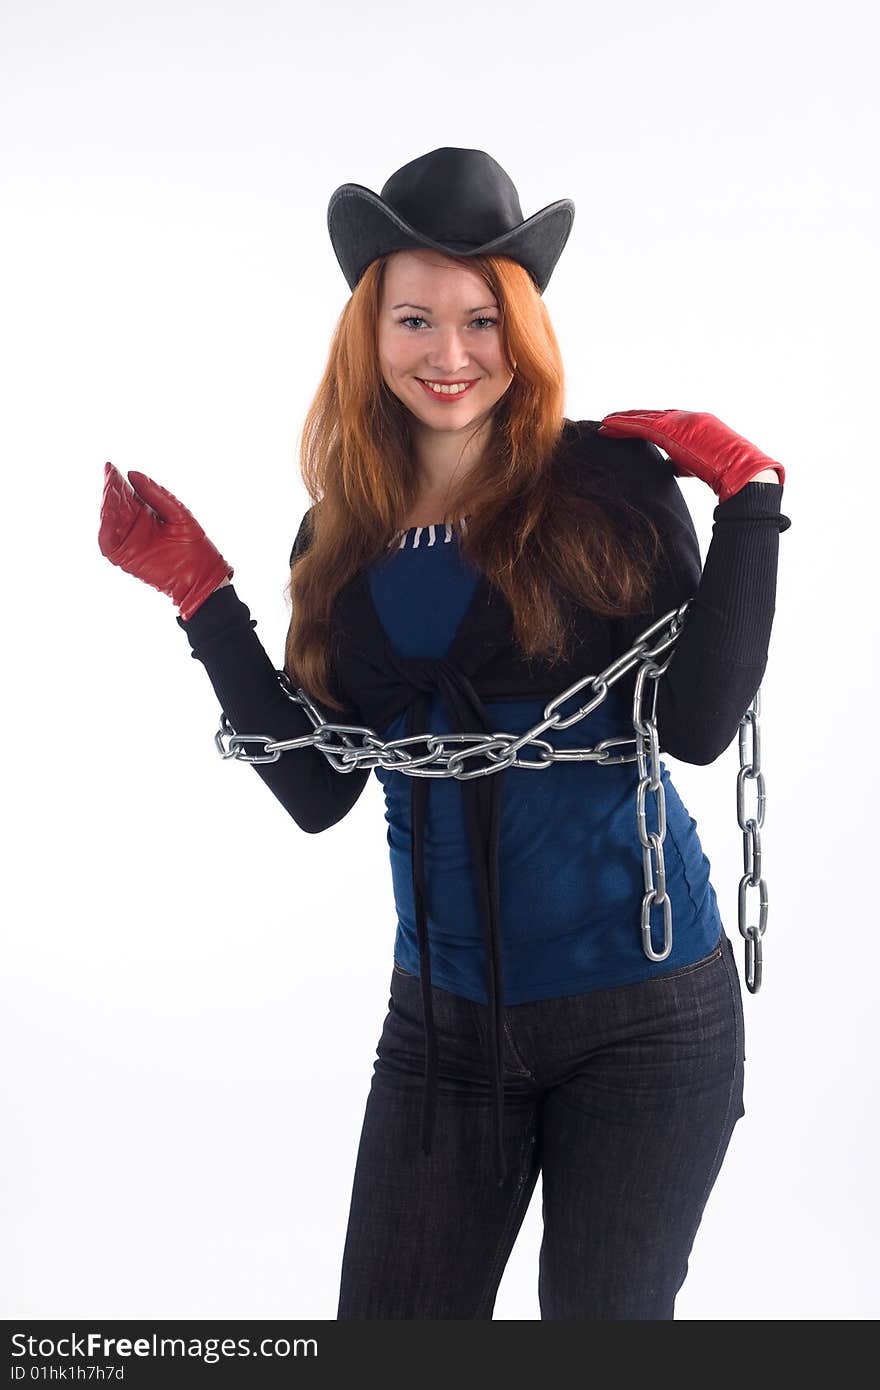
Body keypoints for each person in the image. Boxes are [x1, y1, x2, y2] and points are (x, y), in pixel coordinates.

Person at [98, 147, 791, 1320]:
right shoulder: (337, 539)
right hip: (441, 1030)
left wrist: (750, 503)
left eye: (482, 319)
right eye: (414, 318)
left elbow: (699, 726)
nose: (450, 354)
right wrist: (203, 596)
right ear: (369, 334)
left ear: (520, 330)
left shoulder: (612, 483)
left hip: (646, 1017)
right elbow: (321, 790)